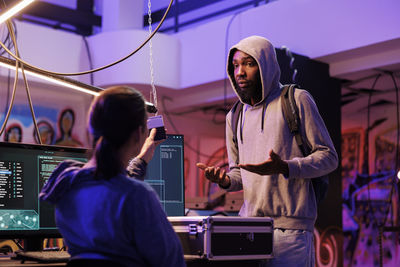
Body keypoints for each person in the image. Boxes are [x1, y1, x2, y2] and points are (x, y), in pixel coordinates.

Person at [197, 36, 338, 266]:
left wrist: (285, 167)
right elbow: (238, 175)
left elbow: (329, 157)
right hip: (249, 230)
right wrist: (224, 181)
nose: (240, 72)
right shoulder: (234, 116)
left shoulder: (296, 100)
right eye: (235, 65)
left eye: (248, 63)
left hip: (290, 232)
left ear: (266, 65)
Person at [40, 86, 185, 267]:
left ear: (89, 131)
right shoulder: (138, 196)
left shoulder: (66, 186)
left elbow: (109, 187)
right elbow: (172, 262)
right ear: (139, 134)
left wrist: (143, 158)